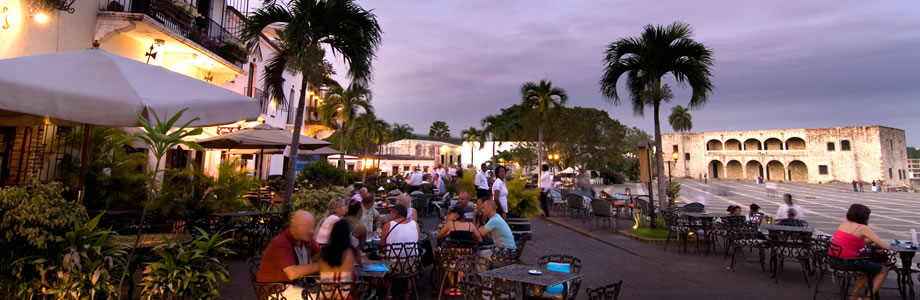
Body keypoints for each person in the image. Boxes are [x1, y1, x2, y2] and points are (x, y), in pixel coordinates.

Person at [829, 204, 890, 300]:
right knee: (883, 270)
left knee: (868, 268)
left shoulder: (843, 224)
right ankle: (868, 297)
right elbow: (886, 246)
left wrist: (870, 240)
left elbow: (851, 241)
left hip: (833, 260)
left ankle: (854, 295)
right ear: (864, 216)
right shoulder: (862, 228)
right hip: (848, 263)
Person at [256, 211, 320, 299]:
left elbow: (321, 255)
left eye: (312, 227)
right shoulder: (281, 242)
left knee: (329, 293)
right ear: (295, 228)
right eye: (307, 227)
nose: (311, 231)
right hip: (275, 290)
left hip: (294, 285)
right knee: (316, 297)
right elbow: (292, 273)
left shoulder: (305, 239)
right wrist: (322, 266)